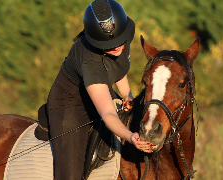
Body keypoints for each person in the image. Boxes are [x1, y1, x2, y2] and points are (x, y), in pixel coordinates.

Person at [46, 0, 153, 179]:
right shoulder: (91, 63)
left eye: (120, 40)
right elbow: (108, 114)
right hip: (70, 104)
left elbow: (117, 66)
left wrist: (127, 94)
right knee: (70, 175)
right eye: (109, 45)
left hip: (101, 88)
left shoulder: (126, 28)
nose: (118, 46)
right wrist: (131, 137)